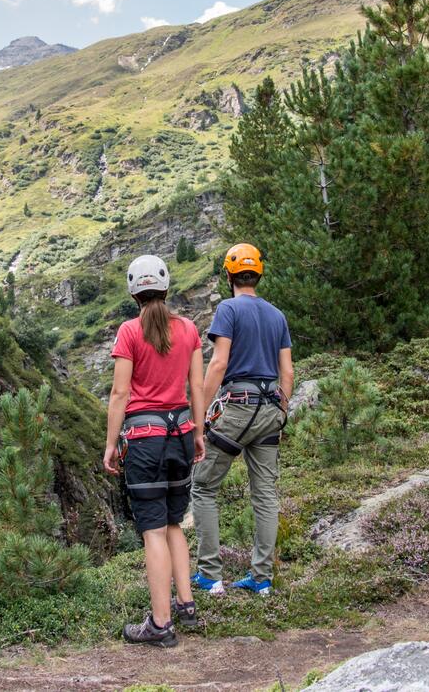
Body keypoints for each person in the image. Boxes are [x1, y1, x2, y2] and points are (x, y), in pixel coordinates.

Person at [103, 254, 206, 647]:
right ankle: (186, 604)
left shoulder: (129, 331)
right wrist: (198, 432)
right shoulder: (189, 330)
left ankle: (161, 625)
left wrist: (112, 444)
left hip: (144, 440)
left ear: (134, 290)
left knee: (152, 531)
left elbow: (120, 392)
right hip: (181, 432)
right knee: (175, 522)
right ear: (165, 285)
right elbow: (195, 387)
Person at [190, 243, 294, 596]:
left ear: (229, 275)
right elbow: (287, 371)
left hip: (237, 407)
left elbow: (219, 363)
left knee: (203, 486)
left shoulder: (228, 309)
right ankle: (261, 578)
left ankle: (209, 575)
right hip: (269, 408)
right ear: (258, 274)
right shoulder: (277, 316)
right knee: (265, 495)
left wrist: (201, 415)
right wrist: (281, 411)